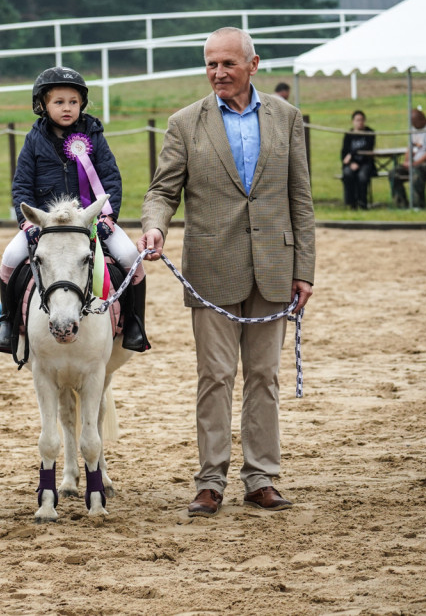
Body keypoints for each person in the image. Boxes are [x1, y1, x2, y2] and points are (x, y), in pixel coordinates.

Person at [137, 27, 315, 518]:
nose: (218, 72)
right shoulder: (184, 123)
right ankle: (209, 481)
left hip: (276, 268)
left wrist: (306, 270)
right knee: (215, 376)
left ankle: (261, 478)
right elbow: (162, 192)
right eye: (211, 64)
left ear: (253, 65)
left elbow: (300, 200)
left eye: (228, 64)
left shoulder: (287, 118)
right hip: (211, 269)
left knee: (265, 376)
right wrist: (154, 229)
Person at [0, 66, 145, 354]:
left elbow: (110, 178)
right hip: (47, 223)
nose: (67, 108)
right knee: (9, 258)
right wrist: (27, 223)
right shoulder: (33, 140)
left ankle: (134, 323)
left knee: (131, 256)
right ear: (43, 105)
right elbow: (22, 185)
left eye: (73, 101)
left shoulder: (94, 136)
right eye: (58, 102)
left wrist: (108, 216)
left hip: (90, 219)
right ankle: (9, 324)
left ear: (81, 103)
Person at [390, 107, 426, 209]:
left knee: (417, 171)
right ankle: (401, 204)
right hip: (416, 163)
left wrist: (415, 164)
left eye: (414, 122)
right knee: (394, 173)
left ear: (422, 119)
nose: (412, 125)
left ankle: (417, 205)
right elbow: (410, 148)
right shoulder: (413, 129)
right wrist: (407, 162)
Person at [340, 110, 376, 209]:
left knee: (362, 176)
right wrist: (351, 163)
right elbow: (343, 153)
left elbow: (368, 149)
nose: (360, 122)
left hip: (365, 163)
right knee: (348, 173)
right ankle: (351, 203)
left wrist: (352, 154)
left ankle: (363, 203)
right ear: (353, 121)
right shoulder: (348, 134)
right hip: (351, 164)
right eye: (357, 120)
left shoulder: (369, 133)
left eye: (361, 120)